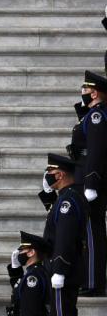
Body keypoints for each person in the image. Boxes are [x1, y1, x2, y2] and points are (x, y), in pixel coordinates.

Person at [42, 153, 88, 316]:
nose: (47, 178)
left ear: (59, 175)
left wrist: (58, 268)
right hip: (65, 271)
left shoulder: (69, 201)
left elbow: (65, 238)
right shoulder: (66, 197)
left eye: (50, 174)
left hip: (64, 272)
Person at [69, 71, 107, 296]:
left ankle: (93, 281)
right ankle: (90, 278)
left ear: (93, 92)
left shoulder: (97, 116)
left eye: (84, 89)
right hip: (85, 175)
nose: (81, 93)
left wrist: (91, 182)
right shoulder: (92, 114)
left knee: (93, 232)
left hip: (91, 180)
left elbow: (95, 152)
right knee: (89, 232)